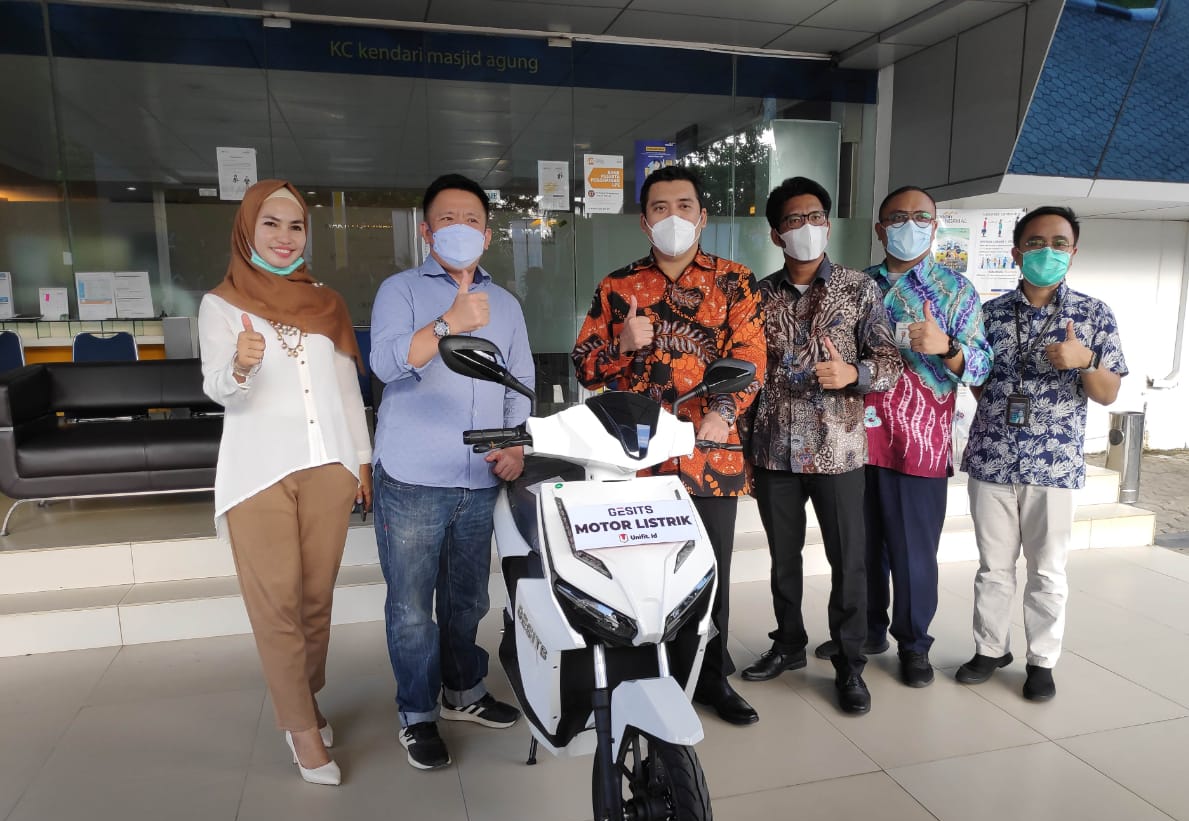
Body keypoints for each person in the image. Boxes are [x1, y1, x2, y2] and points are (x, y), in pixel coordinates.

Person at [572, 165, 766, 726]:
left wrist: (724, 412)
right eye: (661, 208)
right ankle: (644, 675)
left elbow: (751, 357)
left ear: (702, 217)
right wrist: (622, 346)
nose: (673, 217)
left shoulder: (735, 281)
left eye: (685, 206)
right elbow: (584, 367)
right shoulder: (616, 287)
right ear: (644, 221)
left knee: (708, 571)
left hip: (709, 455)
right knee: (639, 573)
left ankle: (711, 677)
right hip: (636, 460)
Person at [199, 178, 372, 786]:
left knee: (315, 601)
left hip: (329, 467)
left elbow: (347, 390)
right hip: (258, 473)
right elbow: (217, 389)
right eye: (270, 223)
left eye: (295, 225)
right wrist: (239, 366)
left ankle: (306, 696)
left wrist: (362, 461)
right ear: (247, 229)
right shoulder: (220, 305)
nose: (284, 236)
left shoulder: (327, 303)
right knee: (276, 605)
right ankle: (301, 729)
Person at [369, 173, 532, 770]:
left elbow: (520, 383)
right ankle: (417, 713)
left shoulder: (506, 305)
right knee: (412, 608)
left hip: (480, 477)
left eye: (471, 221)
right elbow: (385, 363)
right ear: (426, 231)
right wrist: (448, 323)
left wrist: (514, 446)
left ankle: (463, 691)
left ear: (487, 235)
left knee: (467, 601)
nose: (459, 229)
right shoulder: (401, 291)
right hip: (413, 477)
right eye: (447, 219)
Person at [739, 177, 902, 715]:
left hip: (838, 451)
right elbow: (746, 375)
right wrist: (742, 448)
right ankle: (788, 644)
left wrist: (853, 373)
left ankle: (850, 663)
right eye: (794, 220)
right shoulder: (757, 296)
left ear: (828, 226)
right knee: (783, 559)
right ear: (776, 233)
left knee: (848, 561)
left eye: (815, 217)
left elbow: (890, 363)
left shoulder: (859, 289)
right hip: (774, 452)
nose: (806, 227)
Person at [820, 185, 990, 688]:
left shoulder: (955, 291)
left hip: (919, 443)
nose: (908, 225)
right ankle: (866, 630)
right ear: (880, 229)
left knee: (913, 553)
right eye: (898, 217)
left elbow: (982, 367)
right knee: (860, 549)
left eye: (920, 217)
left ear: (934, 228)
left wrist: (947, 346)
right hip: (854, 440)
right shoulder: (855, 285)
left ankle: (914, 645)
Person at [959, 206, 1126, 701]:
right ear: (1016, 252)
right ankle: (991, 649)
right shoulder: (989, 314)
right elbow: (980, 382)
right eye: (1035, 243)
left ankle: (1041, 661)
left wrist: (1085, 360)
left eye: (1058, 243)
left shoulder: (1094, 315)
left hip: (1053, 464)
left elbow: (1108, 393)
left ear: (1073, 252)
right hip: (992, 457)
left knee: (1047, 571)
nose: (1046, 252)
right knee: (993, 567)